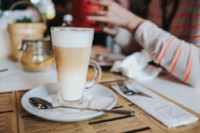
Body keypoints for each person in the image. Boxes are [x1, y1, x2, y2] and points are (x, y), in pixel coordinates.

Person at [88, 0, 200, 87]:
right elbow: (148, 51)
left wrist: (133, 22)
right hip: (161, 88)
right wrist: (118, 32)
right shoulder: (156, 3)